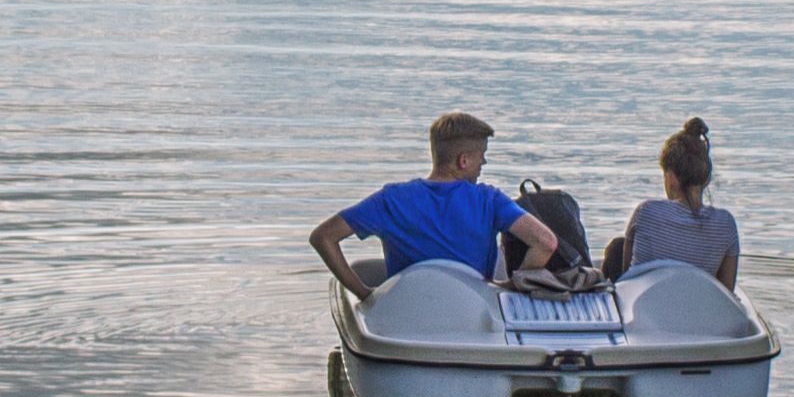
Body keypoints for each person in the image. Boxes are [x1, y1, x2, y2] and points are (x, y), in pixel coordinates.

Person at [311, 113, 583, 295]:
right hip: (474, 310)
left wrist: (363, 293)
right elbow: (546, 242)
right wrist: (510, 286)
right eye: (482, 155)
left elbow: (323, 237)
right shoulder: (488, 199)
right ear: (464, 160)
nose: (483, 163)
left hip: (406, 311)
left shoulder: (391, 199)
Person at [604, 119, 739, 288]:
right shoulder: (726, 224)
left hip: (646, 299)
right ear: (706, 178)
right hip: (697, 299)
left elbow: (626, 276)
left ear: (671, 177)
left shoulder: (646, 211)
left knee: (617, 248)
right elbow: (726, 291)